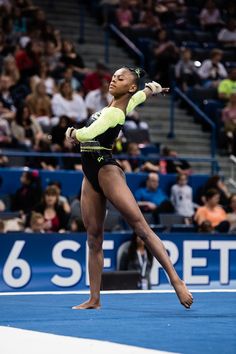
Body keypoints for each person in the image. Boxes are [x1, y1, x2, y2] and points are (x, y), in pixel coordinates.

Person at [65, 66, 193, 309]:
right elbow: (136, 98)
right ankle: (94, 298)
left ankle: (176, 280)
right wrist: (151, 90)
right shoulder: (118, 105)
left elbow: (87, 133)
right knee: (93, 238)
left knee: (141, 228)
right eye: (113, 76)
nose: (113, 80)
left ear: (129, 86)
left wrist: (71, 132)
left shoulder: (114, 114)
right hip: (89, 174)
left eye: (120, 78)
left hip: (106, 170)